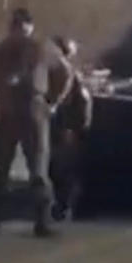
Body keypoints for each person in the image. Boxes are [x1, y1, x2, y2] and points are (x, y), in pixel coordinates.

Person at [0, 8, 73, 238]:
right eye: (18, 25)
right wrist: (52, 100)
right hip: (17, 109)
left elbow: (64, 73)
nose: (20, 30)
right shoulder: (4, 50)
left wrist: (53, 101)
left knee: (33, 169)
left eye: (22, 25)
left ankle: (34, 221)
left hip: (28, 108)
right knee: (7, 168)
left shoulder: (40, 49)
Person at [49, 36, 92, 222]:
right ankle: (62, 205)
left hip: (66, 128)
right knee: (57, 170)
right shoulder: (60, 71)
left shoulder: (69, 74)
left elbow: (81, 103)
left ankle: (65, 207)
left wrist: (74, 128)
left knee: (62, 171)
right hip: (60, 128)